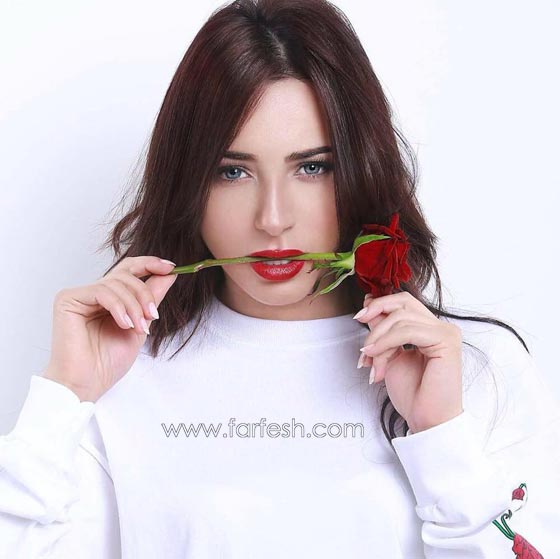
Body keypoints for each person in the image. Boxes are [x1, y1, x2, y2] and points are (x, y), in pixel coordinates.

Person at [1, 0, 559, 557]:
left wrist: (440, 437)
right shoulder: (119, 380)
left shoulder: (474, 370)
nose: (272, 219)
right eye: (233, 172)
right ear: (189, 182)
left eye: (312, 167)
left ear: (360, 168)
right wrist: (65, 395)